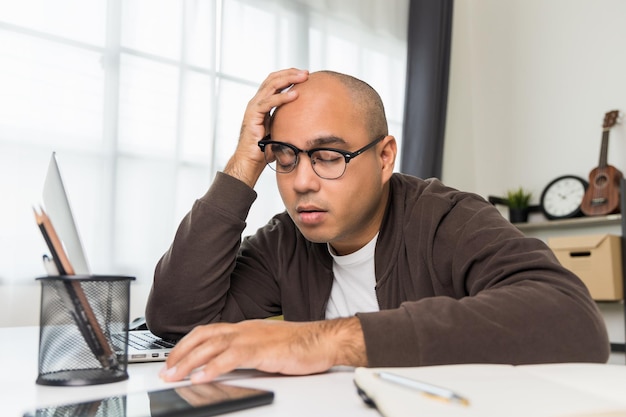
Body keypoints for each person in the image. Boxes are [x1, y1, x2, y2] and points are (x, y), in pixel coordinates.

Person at [147, 68, 609, 384]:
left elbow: (573, 320)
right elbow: (177, 319)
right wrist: (243, 164)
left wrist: (323, 341)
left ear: (384, 156)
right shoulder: (286, 239)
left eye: (329, 156)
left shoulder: (448, 218)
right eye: (285, 159)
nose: (302, 182)